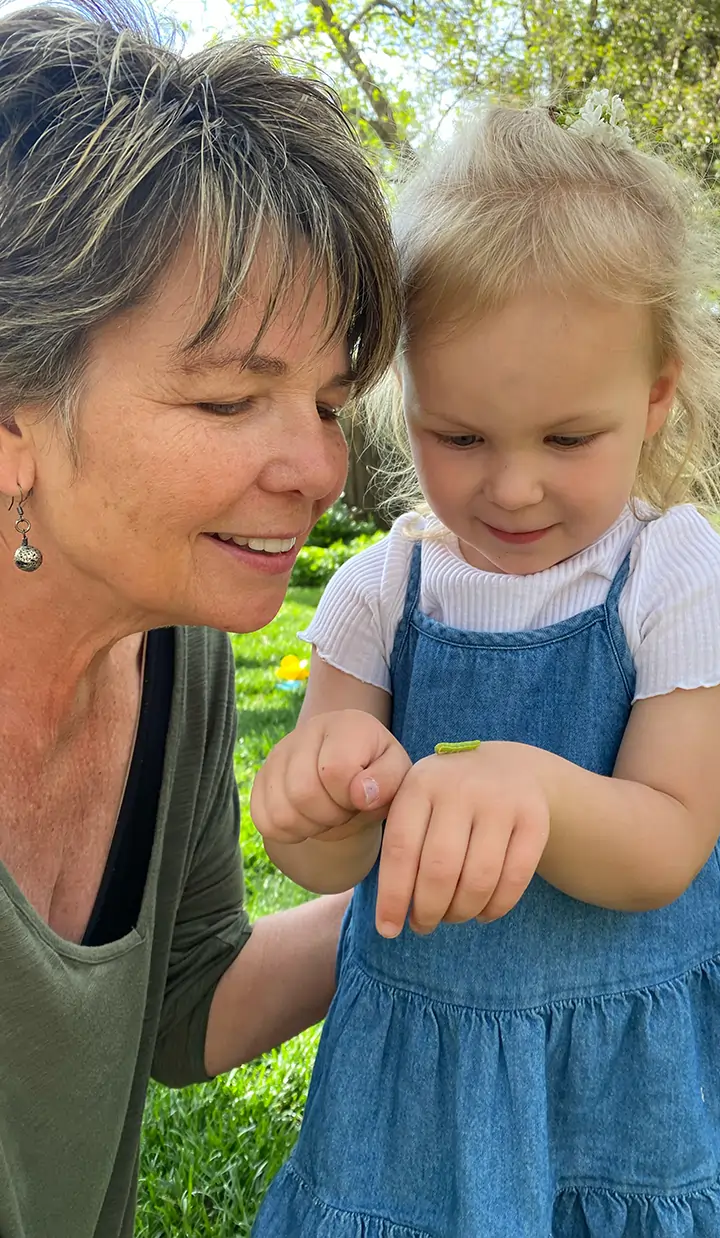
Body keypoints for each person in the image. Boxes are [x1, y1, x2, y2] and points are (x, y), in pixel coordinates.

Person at [249, 96, 720, 1235]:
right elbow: (333, 857)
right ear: (408, 403)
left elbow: (664, 842)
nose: (514, 485)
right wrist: (314, 789)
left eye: (566, 439)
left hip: (639, 1078)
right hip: (425, 1076)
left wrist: (525, 778)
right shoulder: (383, 593)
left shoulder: (678, 578)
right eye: (461, 436)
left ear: (655, 396)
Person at [0, 4, 401, 1237]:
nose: (319, 469)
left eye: (327, 399)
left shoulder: (179, 648)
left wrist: (434, 880)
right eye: (232, 399)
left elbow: (185, 1000)